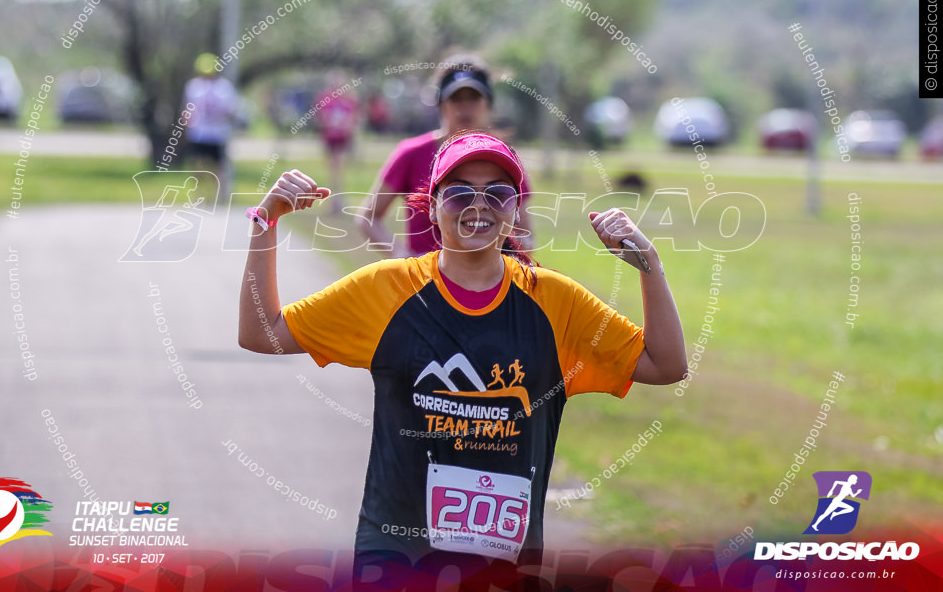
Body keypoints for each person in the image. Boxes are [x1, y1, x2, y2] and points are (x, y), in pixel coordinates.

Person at [238, 131, 687, 585]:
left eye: (498, 193)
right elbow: (261, 332)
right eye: (457, 194)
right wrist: (266, 220)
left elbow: (665, 365)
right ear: (430, 208)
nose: (479, 205)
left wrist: (649, 263)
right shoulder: (385, 289)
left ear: (515, 209)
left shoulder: (554, 300)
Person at [357, 53, 534, 257]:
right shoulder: (411, 153)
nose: (465, 108)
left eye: (474, 99)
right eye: (456, 99)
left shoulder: (503, 158)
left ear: (489, 104)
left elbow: (525, 233)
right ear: (441, 104)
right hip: (425, 284)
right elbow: (368, 217)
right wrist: (402, 256)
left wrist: (511, 256)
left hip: (486, 284)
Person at [183, 53, 239, 199]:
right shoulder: (194, 86)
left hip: (216, 134)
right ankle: (201, 193)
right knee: (199, 165)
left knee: (217, 166)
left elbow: (231, 112)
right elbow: (189, 110)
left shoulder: (223, 88)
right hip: (200, 133)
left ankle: (218, 195)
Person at [313, 71, 359, 209]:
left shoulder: (349, 101)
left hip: (342, 138)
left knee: (339, 168)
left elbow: (353, 120)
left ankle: (338, 199)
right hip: (330, 138)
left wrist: (346, 127)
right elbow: (321, 118)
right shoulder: (325, 99)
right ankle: (335, 199)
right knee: (333, 169)